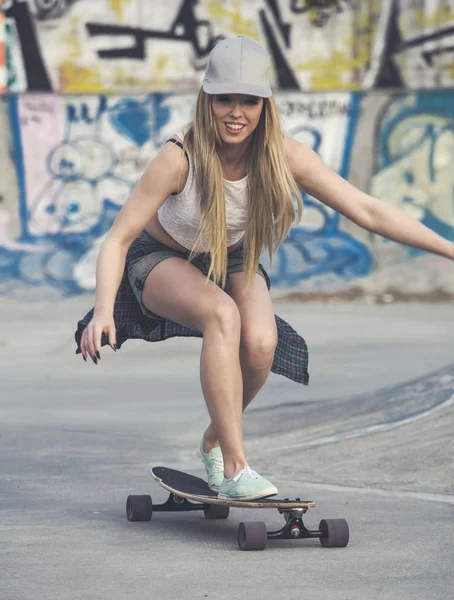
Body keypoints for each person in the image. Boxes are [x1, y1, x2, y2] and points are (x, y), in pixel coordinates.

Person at [75, 36, 454, 501]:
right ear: (207, 101)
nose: (236, 113)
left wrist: (450, 248)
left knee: (260, 345)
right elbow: (117, 238)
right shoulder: (179, 158)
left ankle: (215, 441)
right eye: (225, 100)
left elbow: (368, 210)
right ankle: (236, 466)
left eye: (249, 101)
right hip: (158, 258)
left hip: (232, 257)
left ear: (265, 104)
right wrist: (101, 311)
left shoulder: (282, 155)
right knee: (221, 314)